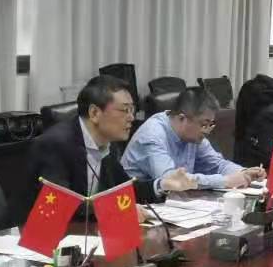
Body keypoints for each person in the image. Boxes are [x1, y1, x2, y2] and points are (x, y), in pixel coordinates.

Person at [23, 75, 197, 219]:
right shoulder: (55, 144)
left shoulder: (107, 143)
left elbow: (124, 190)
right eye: (125, 110)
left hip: (88, 237)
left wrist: (162, 185)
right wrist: (116, 209)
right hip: (44, 240)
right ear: (95, 113)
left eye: (132, 110)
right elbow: (59, 207)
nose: (131, 118)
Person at [121, 87, 262, 190]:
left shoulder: (193, 136)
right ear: (182, 119)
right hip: (136, 206)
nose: (207, 130)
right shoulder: (153, 136)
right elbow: (171, 181)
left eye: (211, 124)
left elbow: (217, 164)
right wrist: (225, 181)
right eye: (204, 124)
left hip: (171, 205)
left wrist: (244, 173)